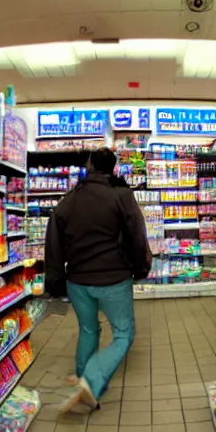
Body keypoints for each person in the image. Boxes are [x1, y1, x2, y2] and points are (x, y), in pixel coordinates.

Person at [45, 148, 151, 412]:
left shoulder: (69, 199)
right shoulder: (121, 195)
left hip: (78, 281)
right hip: (113, 279)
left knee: (89, 330)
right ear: (113, 168)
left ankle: (83, 381)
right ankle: (90, 382)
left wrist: (55, 280)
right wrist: (141, 267)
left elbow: (53, 241)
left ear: (89, 165)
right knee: (124, 334)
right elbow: (136, 235)